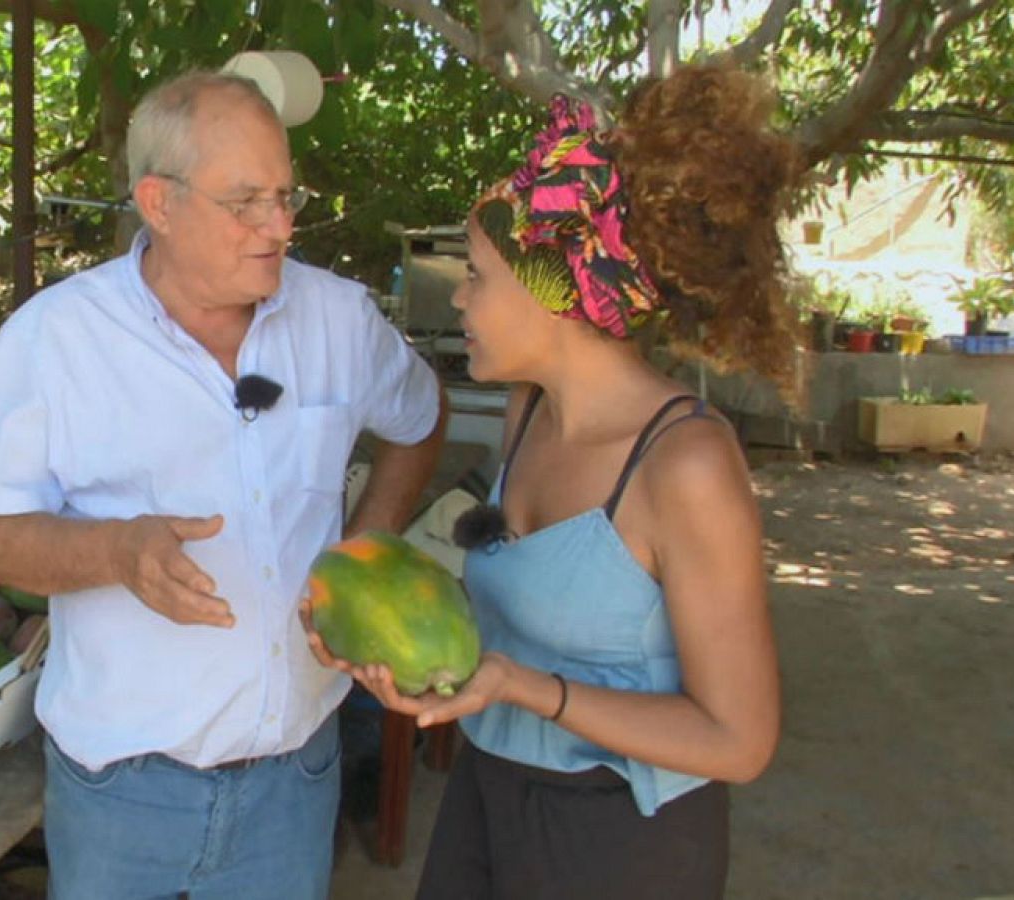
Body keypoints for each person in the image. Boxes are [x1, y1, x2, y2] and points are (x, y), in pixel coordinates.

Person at [305, 61, 796, 898]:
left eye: (477, 277)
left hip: (620, 836)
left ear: (558, 295)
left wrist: (524, 688)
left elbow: (739, 740)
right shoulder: (527, 411)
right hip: (489, 792)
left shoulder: (687, 466)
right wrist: (395, 640)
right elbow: (519, 613)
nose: (459, 300)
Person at [0, 70, 447, 899]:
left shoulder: (338, 320)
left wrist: (364, 544)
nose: (279, 227)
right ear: (160, 203)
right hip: (122, 791)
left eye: (287, 197)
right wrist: (118, 552)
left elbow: (420, 421)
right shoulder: (55, 340)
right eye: (246, 201)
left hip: (295, 777)